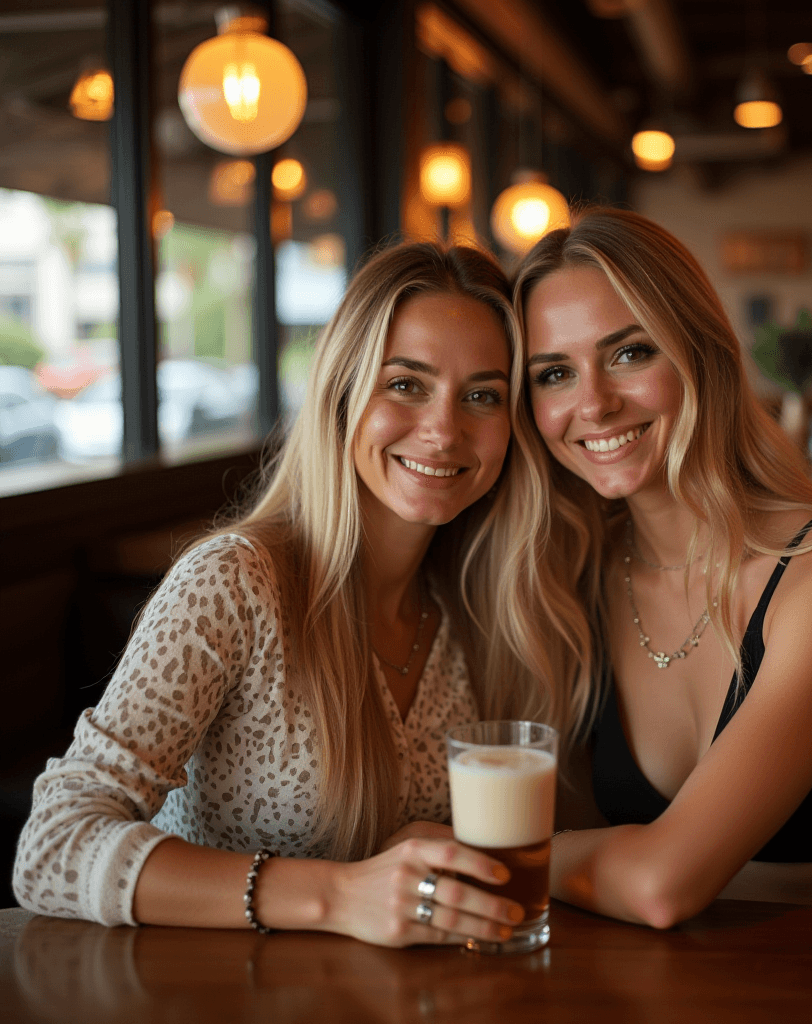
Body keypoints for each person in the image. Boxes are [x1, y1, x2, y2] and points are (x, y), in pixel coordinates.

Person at [14, 242, 565, 947]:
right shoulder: (234, 582)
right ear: (341, 392)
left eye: (482, 396)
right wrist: (337, 896)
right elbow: (51, 849)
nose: (444, 428)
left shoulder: (478, 607)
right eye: (405, 384)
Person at [510, 208, 812, 925]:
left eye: (629, 353)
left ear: (699, 353)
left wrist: (481, 851)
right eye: (554, 373)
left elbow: (658, 885)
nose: (593, 402)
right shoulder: (575, 580)